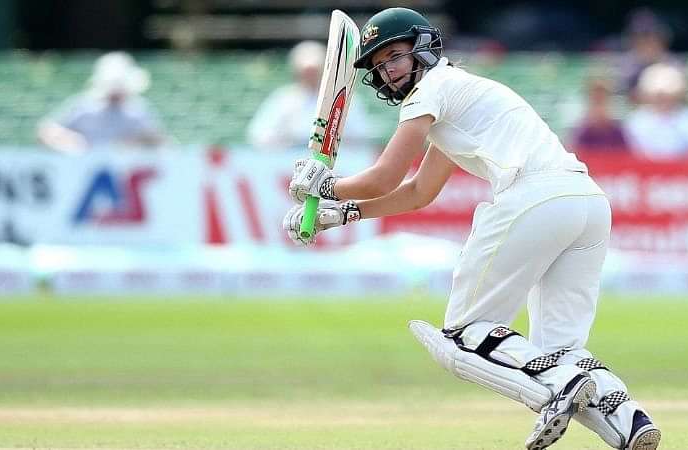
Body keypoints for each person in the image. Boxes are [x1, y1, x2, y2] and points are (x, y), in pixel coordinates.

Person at [283, 7, 660, 450]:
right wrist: (341, 211)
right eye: (380, 66)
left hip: (534, 197)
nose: (388, 72)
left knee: (465, 334)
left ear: (421, 48)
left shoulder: (431, 90)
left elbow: (385, 175)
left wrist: (326, 182)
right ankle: (630, 423)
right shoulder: (460, 93)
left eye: (395, 57)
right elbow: (419, 191)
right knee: (561, 345)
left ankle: (558, 383)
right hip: (587, 203)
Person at [246, 40, 375, 151]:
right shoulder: (282, 99)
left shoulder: (345, 98)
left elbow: (361, 137)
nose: (310, 75)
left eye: (314, 70)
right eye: (306, 71)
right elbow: (259, 136)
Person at [37, 51, 166, 153]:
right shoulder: (84, 105)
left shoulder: (139, 109)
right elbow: (47, 131)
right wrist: (71, 142)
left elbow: (158, 141)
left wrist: (137, 142)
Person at [623, 63, 688, 160]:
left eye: (667, 95)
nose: (663, 99)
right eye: (659, 95)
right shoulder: (636, 120)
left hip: (683, 172)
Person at [617, 8, 681, 102]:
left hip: (666, 111)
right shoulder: (626, 63)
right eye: (641, 36)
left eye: (651, 36)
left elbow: (680, 92)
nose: (647, 41)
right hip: (635, 111)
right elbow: (623, 93)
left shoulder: (671, 62)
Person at [568, 77, 630, 154]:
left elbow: (625, 154)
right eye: (596, 101)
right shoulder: (580, 130)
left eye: (602, 100)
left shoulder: (617, 131)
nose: (599, 108)